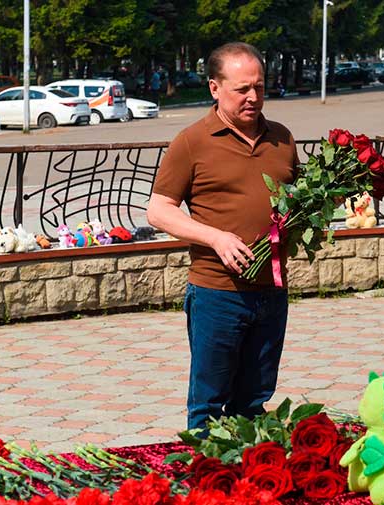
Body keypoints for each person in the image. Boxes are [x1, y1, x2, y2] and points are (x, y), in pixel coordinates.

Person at [146, 42, 299, 431]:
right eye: (242, 89)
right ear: (215, 88)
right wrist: (216, 238)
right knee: (209, 406)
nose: (253, 97)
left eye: (259, 88)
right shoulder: (192, 141)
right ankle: (207, 483)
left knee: (253, 403)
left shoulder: (282, 138)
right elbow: (159, 210)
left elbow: (297, 199)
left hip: (271, 292)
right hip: (217, 294)